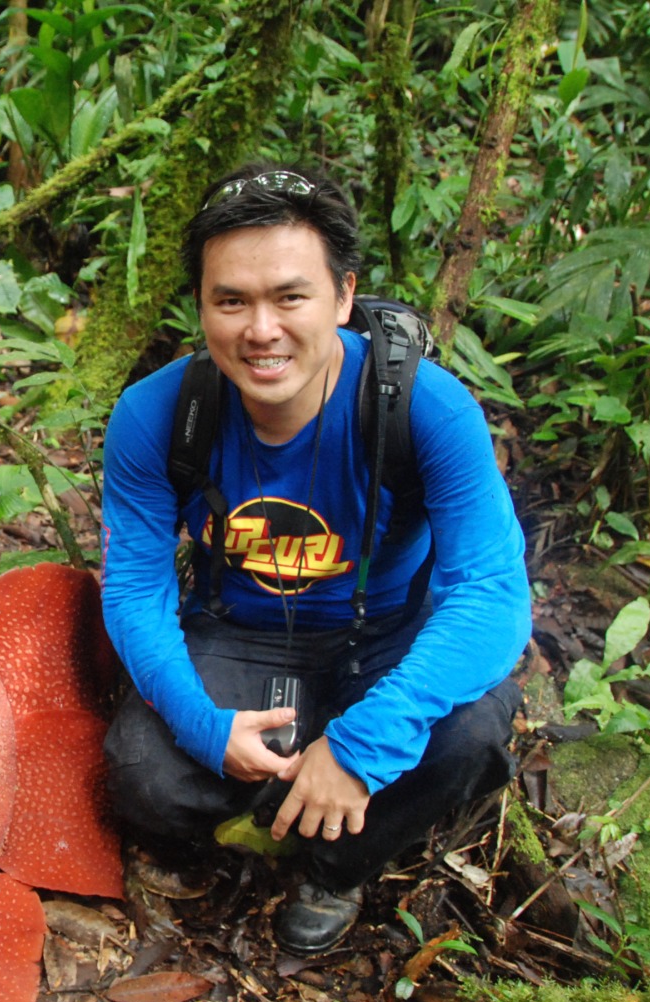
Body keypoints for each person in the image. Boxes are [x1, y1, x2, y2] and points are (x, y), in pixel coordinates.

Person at [100, 165, 529, 954]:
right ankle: (230, 831)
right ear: (201, 305)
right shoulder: (161, 415)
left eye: (289, 297)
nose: (259, 329)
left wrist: (362, 745)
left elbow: (493, 594)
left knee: (470, 732)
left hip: (385, 635)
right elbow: (135, 587)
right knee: (142, 769)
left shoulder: (423, 409)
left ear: (342, 296)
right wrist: (203, 725)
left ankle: (332, 869)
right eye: (230, 300)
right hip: (240, 632)